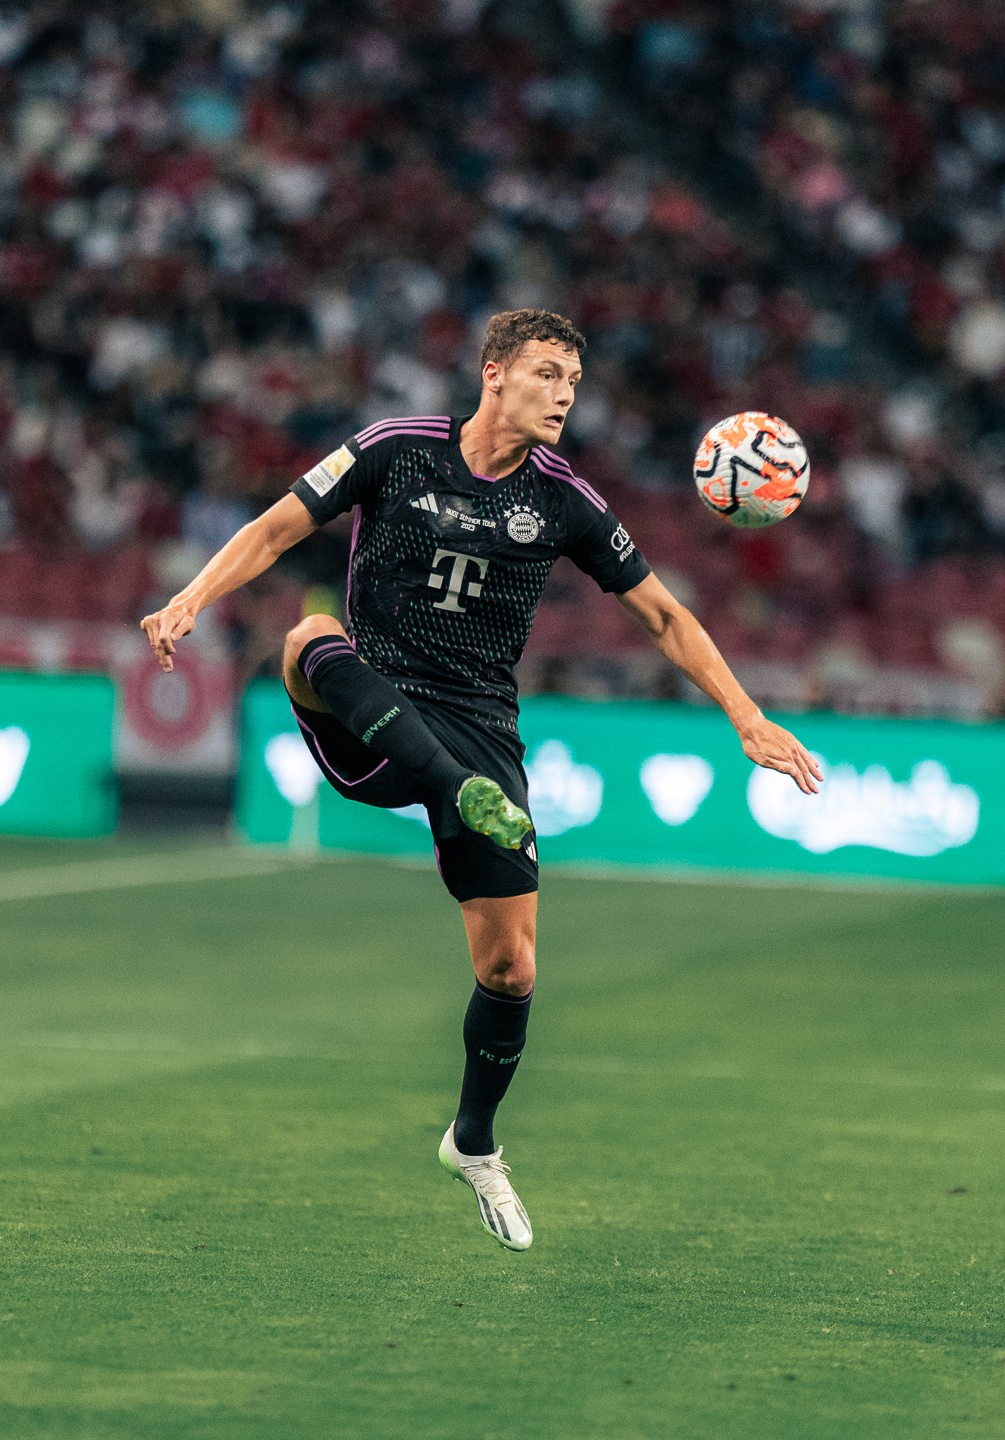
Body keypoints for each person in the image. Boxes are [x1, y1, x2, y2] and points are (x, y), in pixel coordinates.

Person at [140, 309, 821, 1251]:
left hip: (480, 729)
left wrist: (747, 714)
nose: (563, 397)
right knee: (304, 638)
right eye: (547, 374)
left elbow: (664, 616)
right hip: (369, 701)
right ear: (494, 372)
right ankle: (451, 790)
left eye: (573, 385)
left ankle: (473, 1141)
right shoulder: (392, 449)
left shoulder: (566, 500)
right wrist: (189, 600)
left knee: (512, 967)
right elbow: (276, 527)